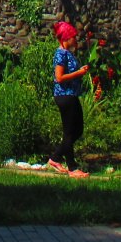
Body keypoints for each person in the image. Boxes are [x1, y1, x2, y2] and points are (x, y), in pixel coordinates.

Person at [48, 21, 91, 178]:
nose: (75, 39)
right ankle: (72, 168)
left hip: (71, 94)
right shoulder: (60, 54)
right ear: (66, 38)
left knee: (77, 130)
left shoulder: (68, 53)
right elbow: (59, 77)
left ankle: (55, 158)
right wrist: (78, 73)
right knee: (70, 132)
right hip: (64, 95)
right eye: (73, 37)